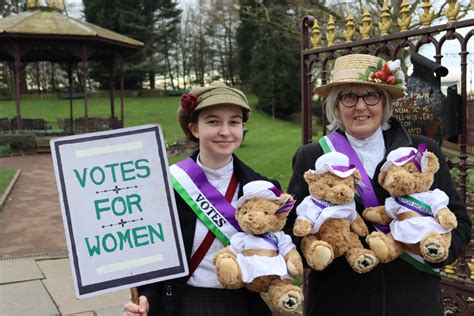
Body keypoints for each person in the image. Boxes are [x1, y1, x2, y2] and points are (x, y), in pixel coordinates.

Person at [286, 53, 472, 316]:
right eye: (349, 96)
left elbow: (461, 224)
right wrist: (323, 247)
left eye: (371, 96)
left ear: (384, 102)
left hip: (412, 301)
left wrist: (435, 251)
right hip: (339, 302)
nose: (360, 106)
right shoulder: (311, 156)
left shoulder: (422, 152)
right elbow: (291, 230)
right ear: (335, 106)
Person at [123, 82, 275, 316]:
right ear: (194, 129)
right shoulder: (168, 185)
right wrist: (145, 299)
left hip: (244, 304)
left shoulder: (264, 189)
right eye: (213, 121)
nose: (225, 131)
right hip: (186, 303)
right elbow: (153, 258)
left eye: (234, 122)